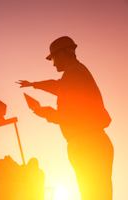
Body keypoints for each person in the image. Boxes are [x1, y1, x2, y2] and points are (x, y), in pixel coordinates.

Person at [17, 36, 114, 200]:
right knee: (97, 193)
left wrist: (47, 113)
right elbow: (58, 86)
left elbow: (70, 115)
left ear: (62, 55)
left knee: (93, 194)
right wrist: (34, 84)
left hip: (86, 143)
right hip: (92, 141)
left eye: (54, 58)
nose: (53, 63)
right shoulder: (76, 73)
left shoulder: (74, 74)